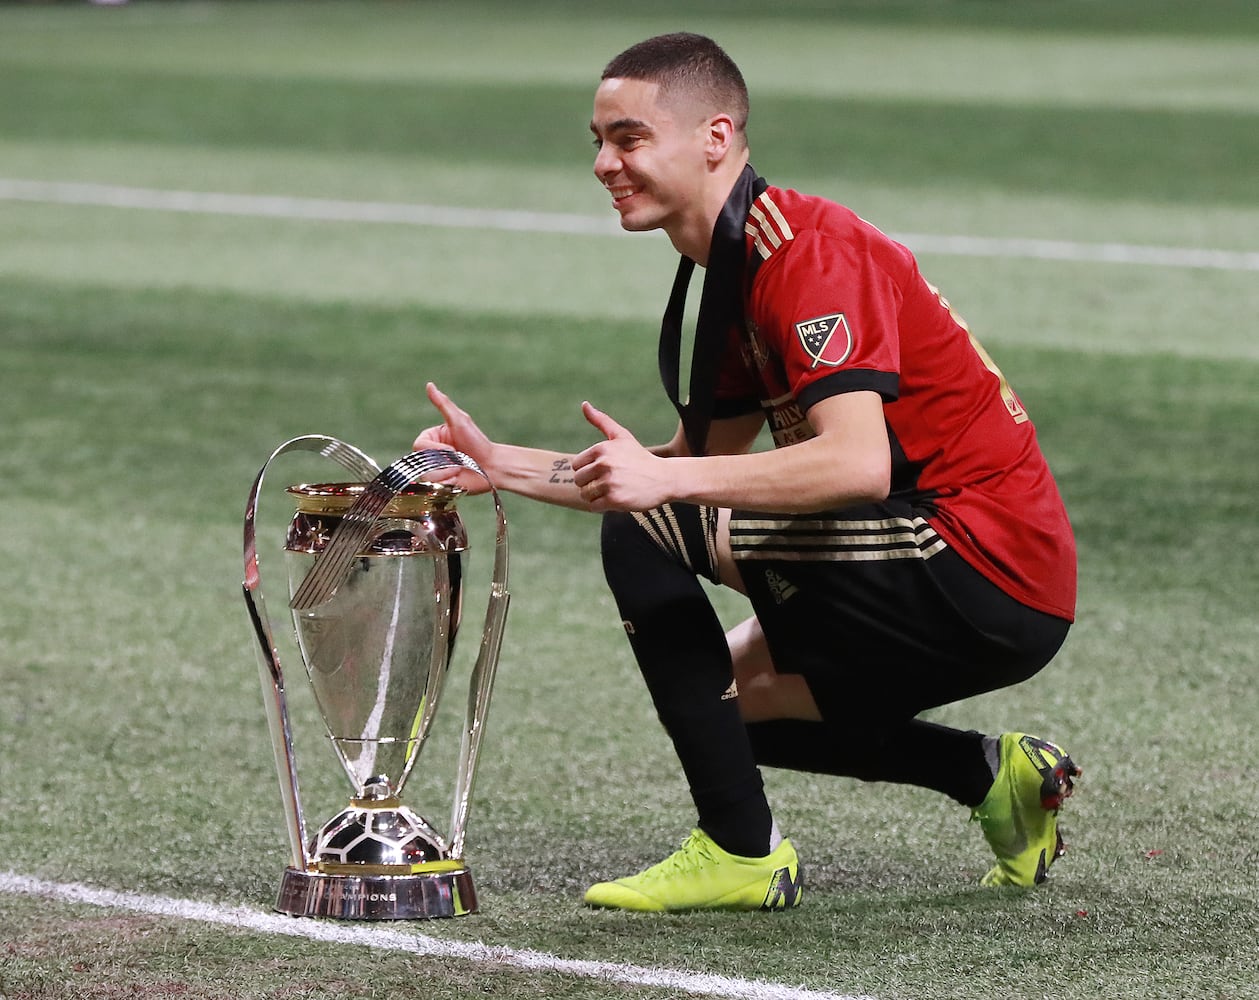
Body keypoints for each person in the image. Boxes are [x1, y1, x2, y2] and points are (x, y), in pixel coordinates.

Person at [413, 32, 1080, 912]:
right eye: (597, 141)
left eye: (628, 138)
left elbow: (854, 463)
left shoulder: (808, 252)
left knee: (648, 535)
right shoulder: (736, 272)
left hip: (981, 563)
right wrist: (500, 465)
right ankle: (991, 777)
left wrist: (660, 490)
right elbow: (688, 470)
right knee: (725, 709)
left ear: (715, 138)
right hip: (945, 570)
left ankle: (740, 850)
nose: (605, 163)